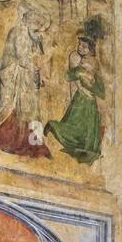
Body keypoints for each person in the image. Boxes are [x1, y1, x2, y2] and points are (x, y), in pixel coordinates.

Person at [0, 6, 53, 159]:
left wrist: (38, 72)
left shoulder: (33, 37)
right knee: (14, 107)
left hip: (28, 78)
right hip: (16, 75)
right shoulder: (18, 32)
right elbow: (22, 57)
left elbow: (35, 57)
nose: (38, 27)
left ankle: (33, 141)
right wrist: (35, 67)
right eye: (36, 23)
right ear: (29, 20)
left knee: (31, 110)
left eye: (40, 25)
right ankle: (11, 140)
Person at [45, 35, 106, 164]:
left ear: (90, 49)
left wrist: (92, 81)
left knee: (89, 126)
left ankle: (86, 151)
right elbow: (69, 76)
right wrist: (80, 73)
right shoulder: (79, 61)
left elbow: (100, 87)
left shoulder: (93, 62)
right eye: (80, 45)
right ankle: (53, 126)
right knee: (75, 125)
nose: (81, 48)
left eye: (84, 47)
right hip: (81, 99)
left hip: (90, 99)